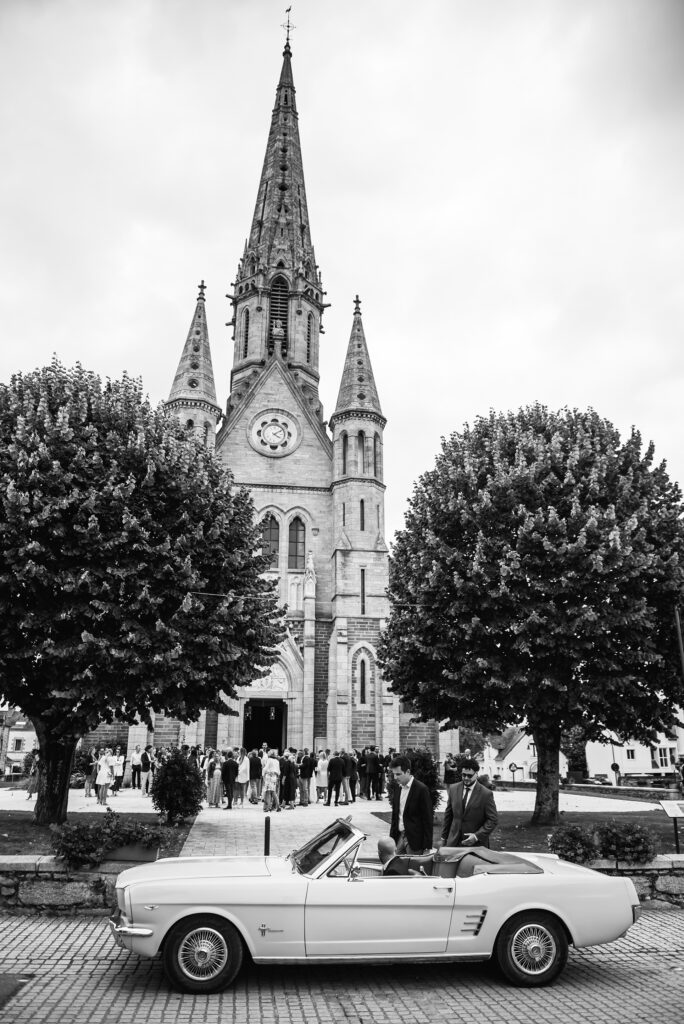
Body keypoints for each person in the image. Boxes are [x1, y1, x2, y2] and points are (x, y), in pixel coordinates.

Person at [440, 757, 498, 848]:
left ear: (476, 774)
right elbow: (448, 815)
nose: (466, 778)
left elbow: (493, 820)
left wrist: (476, 836)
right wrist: (444, 838)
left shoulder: (486, 794)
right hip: (454, 843)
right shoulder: (453, 789)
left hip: (476, 846)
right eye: (463, 775)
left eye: (469, 775)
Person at [389, 754, 433, 855]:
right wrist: (392, 840)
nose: (395, 777)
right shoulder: (397, 788)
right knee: (396, 868)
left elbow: (427, 819)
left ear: (408, 771)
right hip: (399, 837)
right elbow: (395, 816)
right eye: (394, 774)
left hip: (415, 841)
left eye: (398, 774)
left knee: (412, 869)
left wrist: (427, 847)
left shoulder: (421, 789)